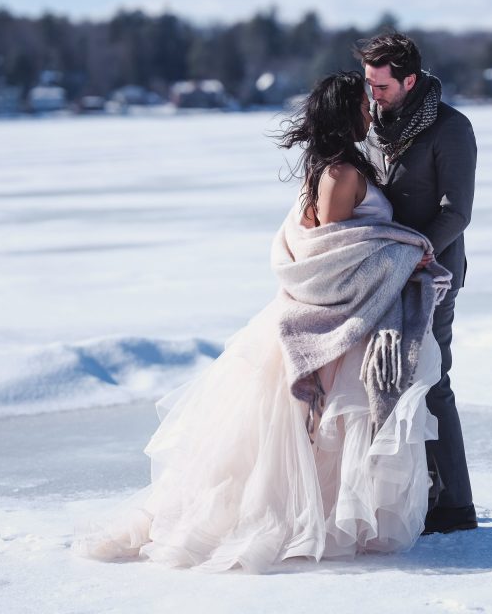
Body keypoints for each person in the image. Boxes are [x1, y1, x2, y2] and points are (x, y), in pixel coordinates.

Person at [73, 71, 452, 572]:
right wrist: (404, 253)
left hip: (349, 315)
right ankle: (307, 519)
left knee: (329, 436)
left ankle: (329, 511)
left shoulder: (344, 167)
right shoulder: (339, 175)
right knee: (317, 434)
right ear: (344, 114)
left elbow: (351, 244)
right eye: (363, 104)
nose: (370, 112)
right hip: (333, 319)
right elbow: (331, 261)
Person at [357, 32, 478, 534]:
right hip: (382, 273)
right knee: (385, 382)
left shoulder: (451, 129)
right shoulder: (375, 122)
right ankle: (411, 496)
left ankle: (453, 506)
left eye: (382, 86)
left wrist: (413, 256)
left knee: (432, 381)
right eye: (368, 84)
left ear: (409, 80)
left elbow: (456, 212)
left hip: (433, 274)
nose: (373, 94)